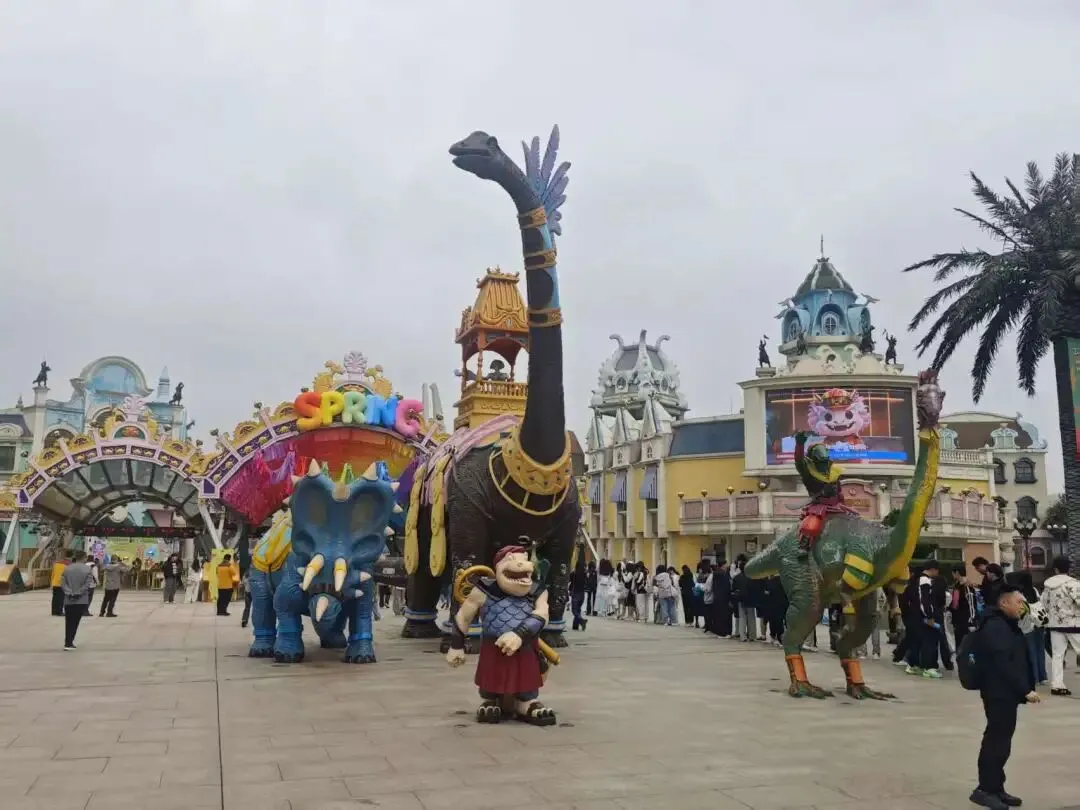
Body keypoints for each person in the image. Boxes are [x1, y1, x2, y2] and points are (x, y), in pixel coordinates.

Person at [969, 584, 1039, 810]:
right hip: (999, 692)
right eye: (1018, 602)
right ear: (1004, 603)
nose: (1022, 606)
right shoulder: (995, 626)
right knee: (996, 741)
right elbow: (1004, 664)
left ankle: (996, 787)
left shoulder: (1005, 624)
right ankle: (984, 790)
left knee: (1002, 741)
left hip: (1004, 692)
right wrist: (1025, 690)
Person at [792, 431, 856, 559]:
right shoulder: (807, 471)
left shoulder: (833, 471)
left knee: (855, 518)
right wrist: (799, 443)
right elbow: (799, 460)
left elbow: (838, 491)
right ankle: (804, 544)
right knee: (812, 523)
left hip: (836, 505)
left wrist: (842, 502)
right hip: (819, 505)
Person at [1042, 555, 1080, 697]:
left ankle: (1057, 685)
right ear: (1069, 569)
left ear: (1055, 569)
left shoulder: (1048, 586)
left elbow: (1044, 604)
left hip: (1055, 625)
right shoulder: (1074, 584)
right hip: (1074, 624)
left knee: (1058, 656)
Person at [1009, 570, 1048, 687]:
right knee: (1040, 650)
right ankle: (1043, 677)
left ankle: (1034, 677)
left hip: (1027, 626)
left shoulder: (1018, 594)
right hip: (1039, 624)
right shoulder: (1034, 590)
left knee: (1030, 652)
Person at [917, 560, 946, 678]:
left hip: (925, 615)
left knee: (930, 641)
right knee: (930, 641)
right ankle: (929, 667)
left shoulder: (921, 579)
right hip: (928, 617)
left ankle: (928, 665)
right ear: (933, 569)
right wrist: (929, 616)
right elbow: (924, 601)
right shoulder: (925, 580)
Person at [60, 551, 94, 650]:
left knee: (69, 621)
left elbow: (63, 583)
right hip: (81, 600)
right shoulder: (87, 569)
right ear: (84, 558)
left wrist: (69, 592)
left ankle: (67, 642)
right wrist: (78, 593)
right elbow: (87, 585)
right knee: (75, 621)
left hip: (68, 599)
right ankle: (70, 642)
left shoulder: (67, 568)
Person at [950, 563, 978, 653]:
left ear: (957, 572)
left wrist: (972, 621)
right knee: (959, 646)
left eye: (953, 573)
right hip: (958, 621)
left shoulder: (967, 587)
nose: (952, 575)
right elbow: (955, 603)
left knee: (967, 647)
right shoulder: (957, 586)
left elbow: (971, 605)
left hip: (966, 620)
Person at [710, 560, 733, 638]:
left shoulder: (715, 573)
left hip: (717, 598)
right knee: (725, 616)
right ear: (723, 565)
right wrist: (730, 597)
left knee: (718, 616)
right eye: (726, 564)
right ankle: (726, 632)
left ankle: (720, 632)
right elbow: (727, 587)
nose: (727, 565)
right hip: (724, 598)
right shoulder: (724, 574)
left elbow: (713, 586)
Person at [569, 550, 587, 631]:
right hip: (582, 594)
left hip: (575, 593)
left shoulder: (574, 573)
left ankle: (582, 621)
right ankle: (575, 626)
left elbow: (569, 581)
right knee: (578, 610)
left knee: (574, 611)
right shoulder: (584, 574)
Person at [49, 552, 72, 616]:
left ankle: (54, 612)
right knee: (61, 599)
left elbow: (52, 575)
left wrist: (51, 584)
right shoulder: (65, 566)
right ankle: (59, 612)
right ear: (66, 561)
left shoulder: (56, 565)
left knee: (55, 599)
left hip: (55, 584)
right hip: (61, 584)